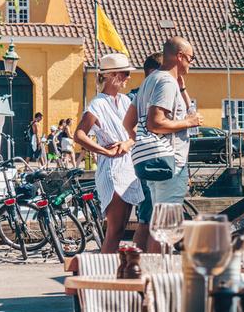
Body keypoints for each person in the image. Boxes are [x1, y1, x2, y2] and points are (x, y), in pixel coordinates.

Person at [124, 37, 201, 252]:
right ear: (180, 56)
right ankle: (157, 270)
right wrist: (189, 122)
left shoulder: (149, 81)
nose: (191, 63)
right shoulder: (166, 82)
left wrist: (145, 144)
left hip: (155, 161)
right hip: (171, 163)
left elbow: (128, 122)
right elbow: (155, 122)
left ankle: (149, 269)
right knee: (165, 228)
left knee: (157, 224)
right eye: (191, 58)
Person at [73, 53, 142, 253]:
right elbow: (79, 134)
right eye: (125, 73)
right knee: (115, 230)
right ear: (112, 75)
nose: (129, 77)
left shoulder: (125, 100)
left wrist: (128, 142)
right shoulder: (98, 103)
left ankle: (115, 267)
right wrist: (105, 151)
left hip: (129, 165)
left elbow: (137, 131)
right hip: (112, 168)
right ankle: (105, 270)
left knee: (122, 227)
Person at [128, 53, 163, 249]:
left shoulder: (141, 94)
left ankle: (137, 261)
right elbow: (127, 125)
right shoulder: (141, 95)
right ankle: (140, 262)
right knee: (149, 220)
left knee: (150, 218)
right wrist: (143, 143)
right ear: (153, 72)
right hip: (151, 161)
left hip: (154, 161)